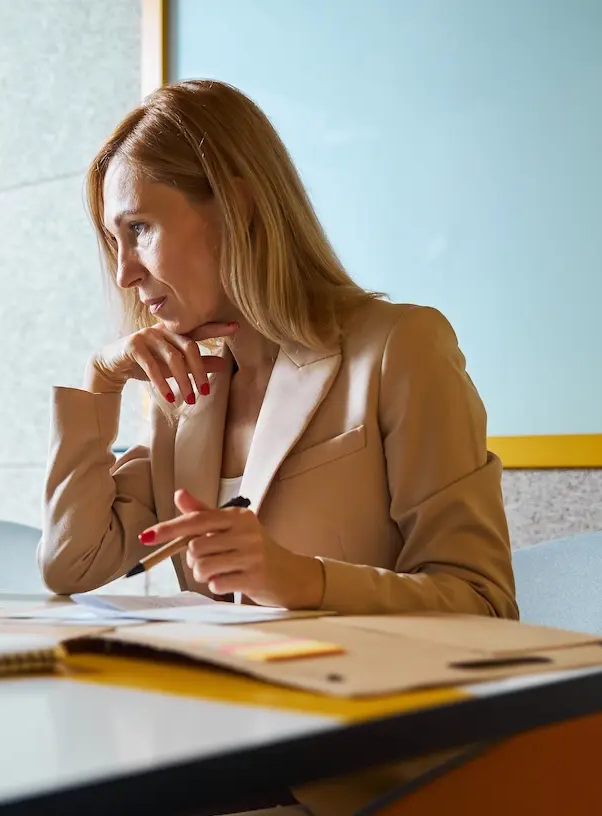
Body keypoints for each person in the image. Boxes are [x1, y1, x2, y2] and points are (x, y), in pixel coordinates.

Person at [38, 79, 517, 619]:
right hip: (222, 697)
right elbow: (70, 564)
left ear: (237, 207)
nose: (124, 272)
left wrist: (299, 579)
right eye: (113, 241)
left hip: (363, 696)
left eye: (140, 228)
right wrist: (101, 380)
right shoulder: (188, 397)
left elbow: (483, 603)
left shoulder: (399, 349)